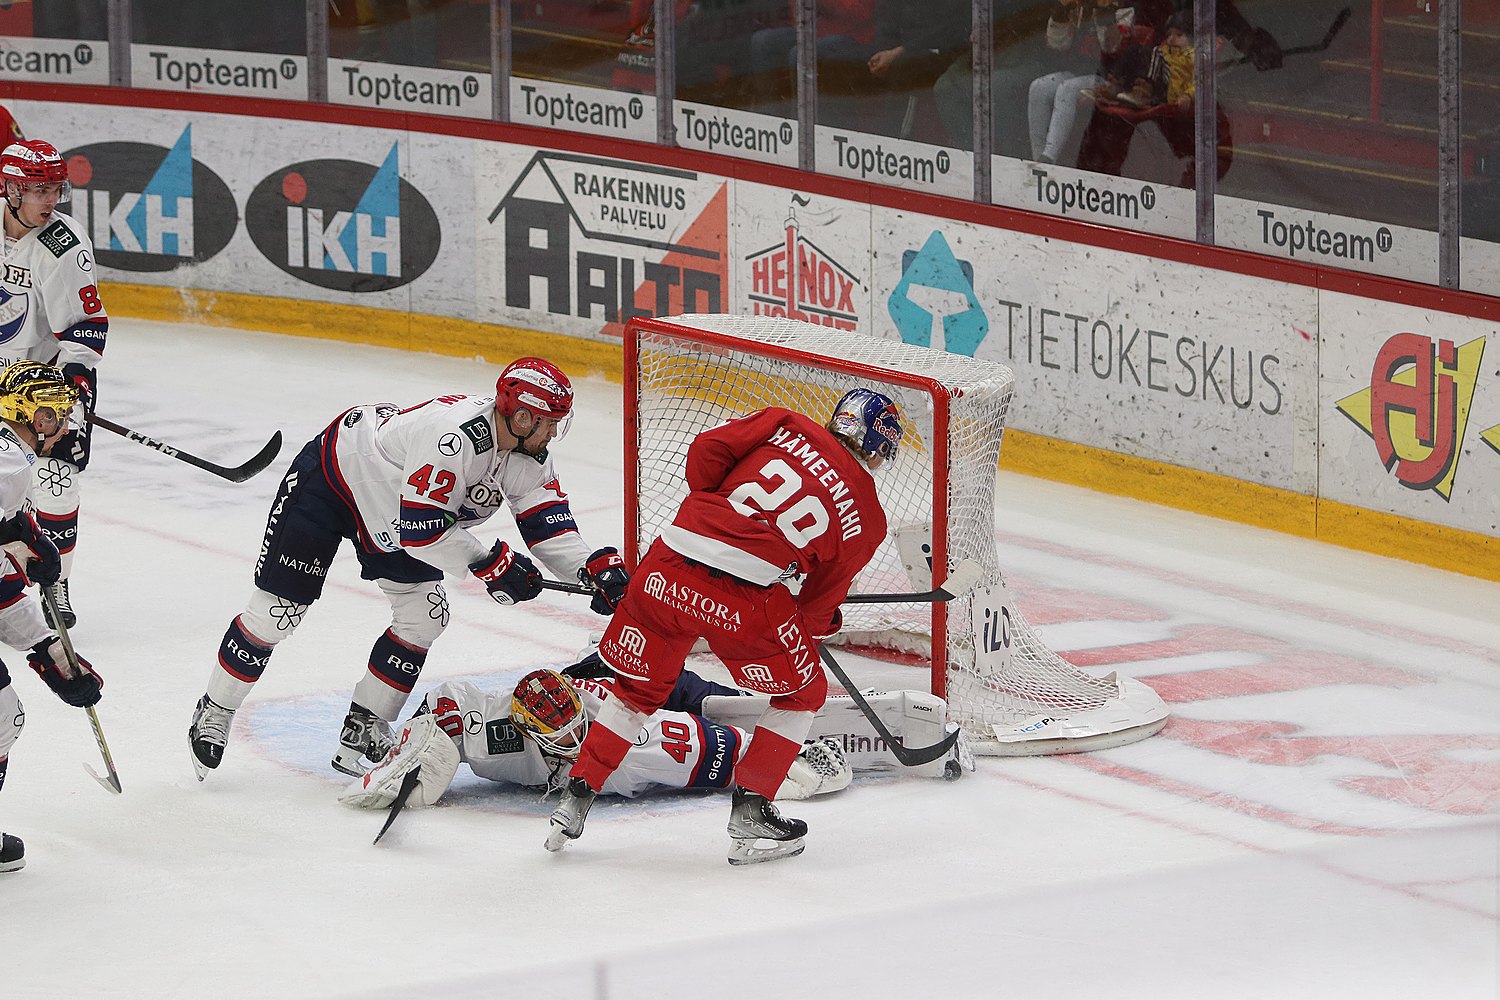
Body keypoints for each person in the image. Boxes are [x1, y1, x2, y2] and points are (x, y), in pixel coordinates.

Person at [187, 358, 631, 781]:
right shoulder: (453, 438)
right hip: (336, 480)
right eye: (550, 422)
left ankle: (363, 731)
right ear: (521, 418)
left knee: (425, 616)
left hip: (395, 516)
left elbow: (544, 519)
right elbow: (422, 531)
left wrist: (589, 567)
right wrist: (490, 562)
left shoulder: (527, 453)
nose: (554, 432)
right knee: (277, 612)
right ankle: (215, 709)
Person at [546, 387, 903, 865]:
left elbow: (706, 451)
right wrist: (813, 616)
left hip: (666, 563)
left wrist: (713, 514)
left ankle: (577, 795)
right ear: (880, 444)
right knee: (801, 695)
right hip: (744, 598)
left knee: (636, 691)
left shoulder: (787, 422)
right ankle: (753, 807)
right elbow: (817, 610)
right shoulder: (870, 516)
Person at [339, 649, 967, 812]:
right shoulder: (499, 727)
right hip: (606, 682)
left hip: (644, 698)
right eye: (550, 733)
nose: (564, 740)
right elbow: (453, 702)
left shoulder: (635, 745)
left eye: (570, 727)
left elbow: (733, 753)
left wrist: (806, 764)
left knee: (711, 702)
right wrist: (426, 736)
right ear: (525, 728)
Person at [0, 361, 105, 874]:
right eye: (53, 414)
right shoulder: (12, 464)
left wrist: (54, 655)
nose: (63, 427)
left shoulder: (11, 458)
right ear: (28, 413)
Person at [0, 139, 108, 631]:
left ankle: (54, 583)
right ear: (10, 188)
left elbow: (84, 332)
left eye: (55, 189)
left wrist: (69, 403)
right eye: (38, 189)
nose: (50, 200)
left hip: (38, 381)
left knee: (55, 481)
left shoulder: (62, 246)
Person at [1026, 0, 1137, 164]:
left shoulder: (1122, 8)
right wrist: (1062, 11)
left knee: (1067, 89)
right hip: (1078, 73)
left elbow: (1112, 47)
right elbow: (1057, 44)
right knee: (1038, 87)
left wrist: (1104, 12)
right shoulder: (1079, 8)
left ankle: (1048, 158)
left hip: (1110, 78)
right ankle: (1037, 160)